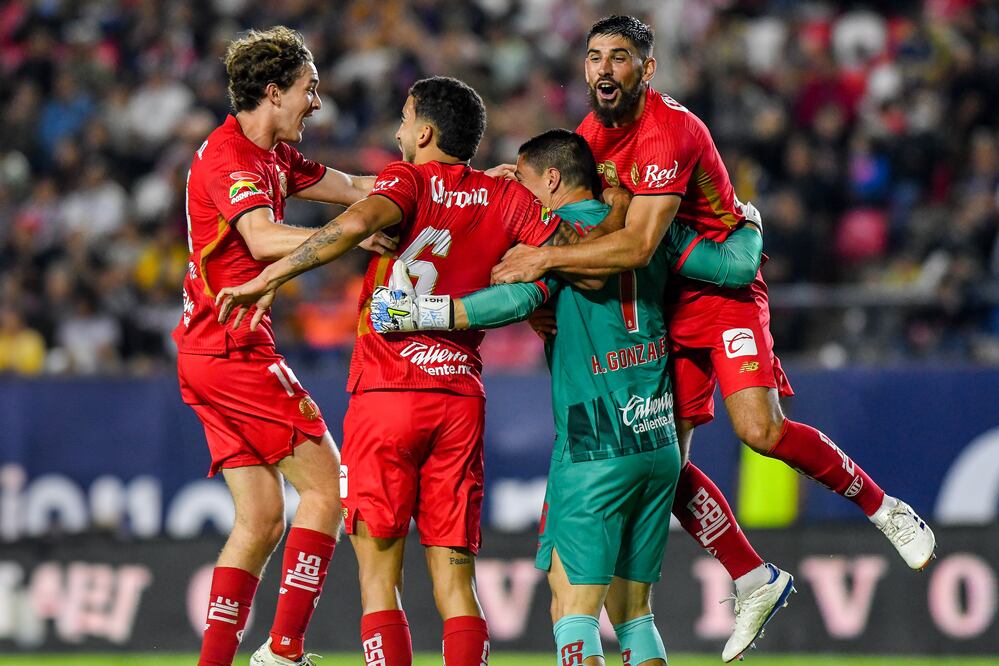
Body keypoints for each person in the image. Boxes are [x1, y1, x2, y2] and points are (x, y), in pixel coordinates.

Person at [490, 15, 936, 663]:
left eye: (619, 57)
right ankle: (754, 577)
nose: (603, 69)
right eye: (593, 57)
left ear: (645, 69)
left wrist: (543, 260)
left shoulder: (671, 130)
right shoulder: (586, 136)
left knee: (757, 429)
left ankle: (884, 508)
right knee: (660, 460)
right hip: (664, 303)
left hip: (721, 293)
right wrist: (527, 191)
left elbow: (637, 240)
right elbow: (588, 216)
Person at [215, 76, 618, 666]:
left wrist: (269, 276)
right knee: (456, 584)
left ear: (425, 132)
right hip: (458, 398)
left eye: (404, 119)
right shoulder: (506, 198)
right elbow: (573, 254)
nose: (399, 130)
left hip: (386, 395)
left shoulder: (405, 179)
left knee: (380, 580)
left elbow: (354, 225)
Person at [369, 127, 766, 666]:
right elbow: (731, 266)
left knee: (571, 610)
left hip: (595, 444)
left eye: (524, 183)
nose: (516, 197)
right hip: (658, 440)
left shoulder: (555, 240)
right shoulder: (641, 229)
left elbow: (513, 298)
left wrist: (422, 313)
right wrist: (750, 223)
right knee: (634, 614)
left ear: (551, 180)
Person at [174, 27, 378, 666]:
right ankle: (283, 652)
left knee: (261, 517)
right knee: (330, 490)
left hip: (206, 349)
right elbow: (261, 239)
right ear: (273, 91)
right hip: (233, 350)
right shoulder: (231, 158)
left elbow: (354, 188)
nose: (316, 103)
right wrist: (350, 238)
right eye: (308, 90)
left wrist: (460, 182)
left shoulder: (273, 157)